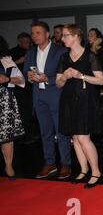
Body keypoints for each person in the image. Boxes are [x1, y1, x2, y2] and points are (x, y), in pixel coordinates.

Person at [56, 24, 103, 189]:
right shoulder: (63, 57)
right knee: (75, 138)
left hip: (86, 102)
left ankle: (96, 171)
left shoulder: (90, 56)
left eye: (65, 35)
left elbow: (100, 80)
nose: (62, 39)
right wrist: (65, 76)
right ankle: (83, 170)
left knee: (84, 137)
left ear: (76, 36)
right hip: (68, 101)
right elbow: (58, 83)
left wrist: (80, 75)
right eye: (62, 36)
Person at [24, 21, 72, 180]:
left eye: (38, 33)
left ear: (47, 34)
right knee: (45, 133)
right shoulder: (30, 52)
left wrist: (48, 78)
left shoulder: (61, 51)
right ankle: (50, 163)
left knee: (62, 132)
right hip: (39, 96)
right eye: (32, 33)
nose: (34, 36)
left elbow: (67, 73)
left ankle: (66, 164)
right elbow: (26, 71)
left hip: (56, 94)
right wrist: (30, 77)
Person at [0, 35, 26, 180]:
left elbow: (22, 80)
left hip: (5, 101)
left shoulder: (7, 60)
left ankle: (8, 166)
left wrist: (7, 79)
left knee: (7, 137)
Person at [9, 32, 36, 144]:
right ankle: (25, 136)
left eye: (28, 42)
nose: (27, 44)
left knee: (31, 110)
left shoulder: (32, 51)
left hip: (31, 85)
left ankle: (32, 133)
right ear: (19, 41)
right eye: (25, 42)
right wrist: (18, 61)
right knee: (23, 112)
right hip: (18, 88)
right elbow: (6, 70)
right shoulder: (12, 53)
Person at [87, 28, 103, 140]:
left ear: (98, 37)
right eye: (88, 35)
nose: (89, 37)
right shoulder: (87, 49)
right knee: (92, 108)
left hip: (100, 83)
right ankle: (94, 131)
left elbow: (97, 63)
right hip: (89, 82)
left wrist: (95, 46)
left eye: (92, 35)